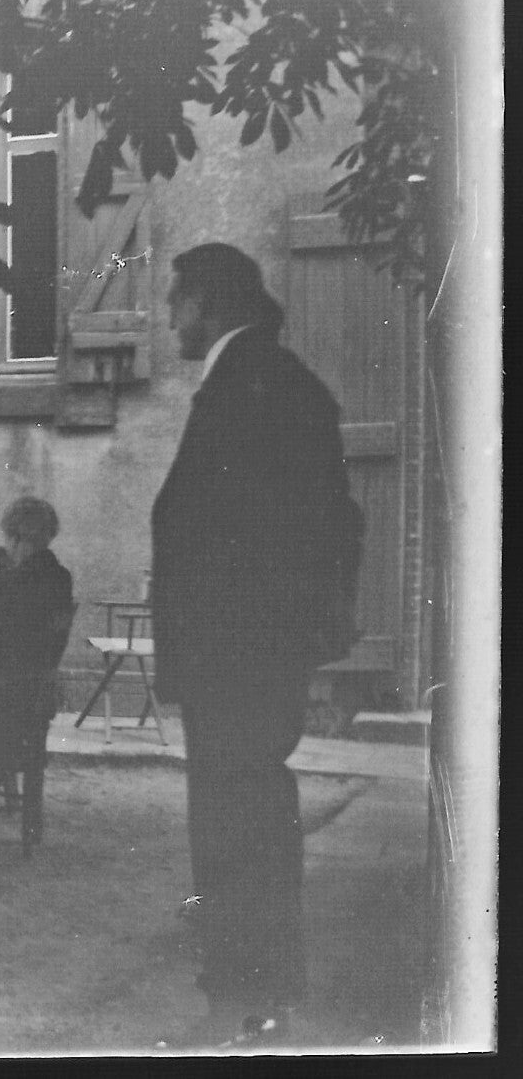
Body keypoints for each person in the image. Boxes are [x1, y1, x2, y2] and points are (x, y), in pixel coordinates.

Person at [150, 243, 363, 1050]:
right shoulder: (276, 381)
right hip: (248, 654)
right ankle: (252, 998)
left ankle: (247, 1005)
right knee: (251, 817)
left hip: (235, 655)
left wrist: (244, 639)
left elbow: (267, 535)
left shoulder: (249, 388)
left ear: (208, 302)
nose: (170, 317)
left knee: (238, 824)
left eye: (178, 301)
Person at [0, 497, 74, 808]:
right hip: (37, 690)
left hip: (8, 694)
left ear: (16, 539)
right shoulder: (59, 576)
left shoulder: (14, 582)